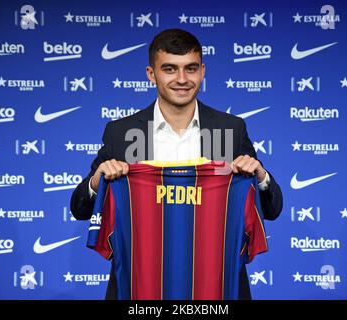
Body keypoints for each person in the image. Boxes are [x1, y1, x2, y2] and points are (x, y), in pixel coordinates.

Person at [70, 28, 283, 300]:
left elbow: (272, 209)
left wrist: (261, 176)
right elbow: (79, 208)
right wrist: (96, 181)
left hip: (216, 289)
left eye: (190, 69)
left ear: (202, 71)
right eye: (170, 69)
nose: (182, 79)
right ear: (151, 74)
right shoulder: (122, 133)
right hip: (140, 288)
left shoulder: (228, 130)